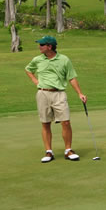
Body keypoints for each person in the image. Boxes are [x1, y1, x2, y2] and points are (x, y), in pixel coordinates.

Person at [24, 35, 87, 163]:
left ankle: (68, 150)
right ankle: (49, 152)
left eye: (42, 45)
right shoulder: (37, 59)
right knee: (45, 123)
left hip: (59, 94)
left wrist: (80, 93)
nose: (39, 46)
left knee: (66, 122)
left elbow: (71, 77)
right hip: (43, 94)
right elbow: (28, 70)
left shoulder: (64, 59)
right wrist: (35, 81)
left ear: (50, 46)